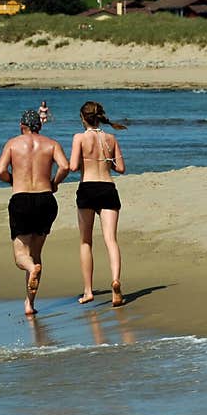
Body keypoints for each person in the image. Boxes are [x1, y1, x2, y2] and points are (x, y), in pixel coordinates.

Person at [0, 109, 70, 316]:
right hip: (46, 199)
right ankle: (29, 304)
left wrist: (13, 181)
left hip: (21, 199)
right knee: (36, 255)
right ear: (40, 126)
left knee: (21, 256)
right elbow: (65, 166)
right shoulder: (51, 143)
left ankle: (30, 270)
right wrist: (54, 183)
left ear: (22, 126)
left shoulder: (13, 143)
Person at [69, 101, 127, 307]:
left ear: (83, 118)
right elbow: (121, 168)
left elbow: (74, 166)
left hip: (87, 188)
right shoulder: (111, 138)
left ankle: (87, 291)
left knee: (86, 241)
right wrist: (107, 158)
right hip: (107, 188)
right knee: (111, 240)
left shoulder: (79, 138)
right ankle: (116, 281)